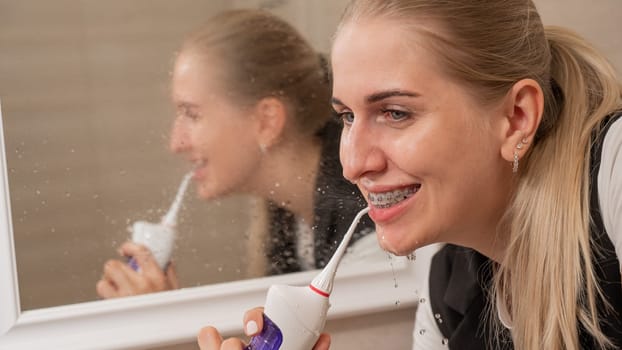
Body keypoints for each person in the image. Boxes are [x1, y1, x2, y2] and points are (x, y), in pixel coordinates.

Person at [197, 0, 622, 349]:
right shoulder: (441, 273)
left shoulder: (615, 176)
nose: (353, 164)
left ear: (516, 118)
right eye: (346, 116)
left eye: (395, 113)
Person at [96, 9, 373, 299]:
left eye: (191, 114)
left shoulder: (369, 236)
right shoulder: (288, 219)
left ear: (266, 121)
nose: (175, 143)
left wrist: (158, 316)